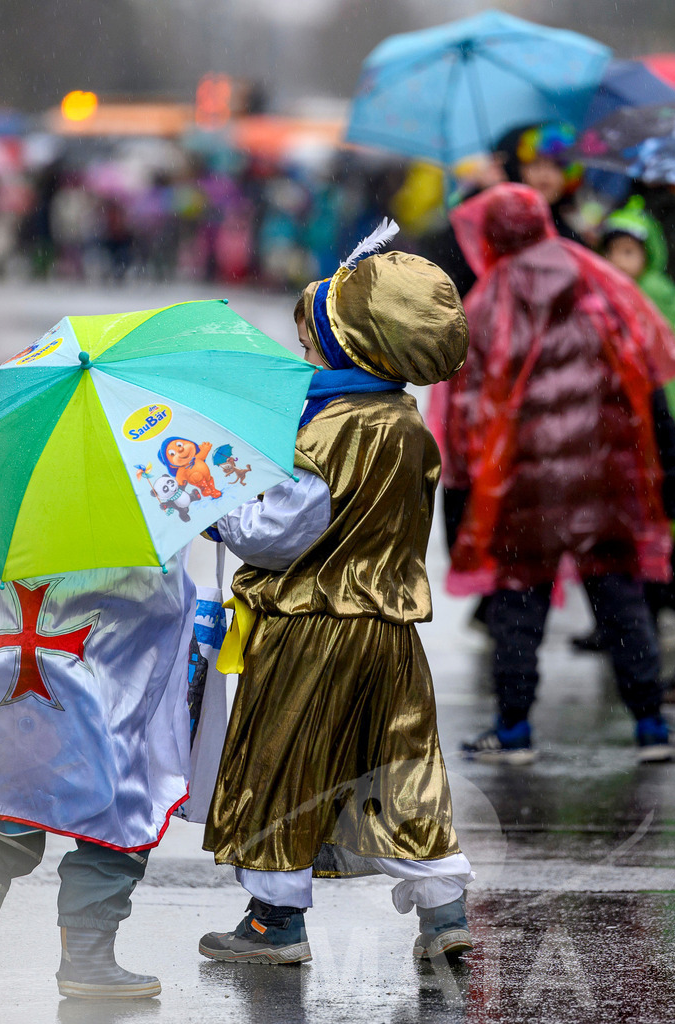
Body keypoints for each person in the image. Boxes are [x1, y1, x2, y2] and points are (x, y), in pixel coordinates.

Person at [199, 233, 476, 966]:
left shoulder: (323, 432)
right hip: (388, 633)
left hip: (309, 629)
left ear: (350, 347)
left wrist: (218, 503)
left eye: (310, 343)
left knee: (285, 764)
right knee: (402, 766)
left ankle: (273, 922)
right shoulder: (408, 425)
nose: (303, 356)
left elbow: (274, 537)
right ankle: (444, 908)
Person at [444, 183, 675, 765]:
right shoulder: (598, 287)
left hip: (522, 487)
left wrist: (457, 506)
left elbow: (464, 415)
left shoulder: (484, 306)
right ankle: (650, 721)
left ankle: (512, 728)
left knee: (517, 606)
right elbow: (644, 384)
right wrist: (669, 475)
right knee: (620, 599)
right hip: (604, 478)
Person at [0, 549, 195, 999]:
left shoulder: (9, 494)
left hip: (10, 677)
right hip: (95, 694)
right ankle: (87, 958)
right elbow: (166, 608)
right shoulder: (137, 505)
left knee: (5, 798)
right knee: (116, 812)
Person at [601, 197, 675, 627]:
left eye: (629, 251)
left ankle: (665, 604)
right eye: (612, 251)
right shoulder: (602, 296)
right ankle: (629, 615)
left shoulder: (665, 298)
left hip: (658, 416)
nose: (620, 261)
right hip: (624, 420)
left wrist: (671, 422)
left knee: (667, 501)